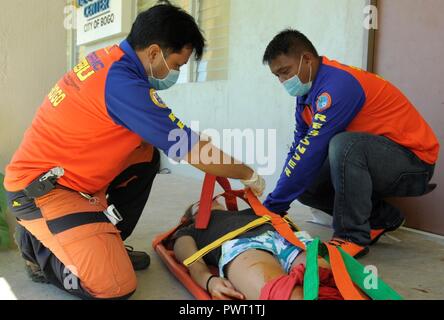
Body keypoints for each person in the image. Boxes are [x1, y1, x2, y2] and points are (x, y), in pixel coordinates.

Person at [3, 4, 264, 300]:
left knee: (146, 152)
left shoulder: (113, 61)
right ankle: (38, 251)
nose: (175, 73)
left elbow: (174, 139)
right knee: (114, 286)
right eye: (176, 65)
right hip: (42, 192)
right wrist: (247, 173)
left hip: (72, 179)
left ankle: (103, 238)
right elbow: (193, 150)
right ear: (153, 53)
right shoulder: (123, 84)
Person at [261, 29, 439, 258]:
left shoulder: (339, 85)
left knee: (343, 145)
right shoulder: (305, 97)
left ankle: (351, 237)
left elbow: (314, 148)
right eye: (278, 76)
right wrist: (274, 202)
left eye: (285, 72)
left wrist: (274, 207)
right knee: (307, 182)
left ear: (306, 59)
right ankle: (380, 218)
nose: (284, 81)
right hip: (380, 157)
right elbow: (300, 149)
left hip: (415, 163)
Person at [173, 201, 341, 300]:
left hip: (285, 237)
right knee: (282, 294)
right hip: (242, 245)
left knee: (329, 280)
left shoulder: (250, 211)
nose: (212, 199)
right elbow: (191, 260)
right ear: (187, 218)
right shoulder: (191, 229)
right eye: (201, 203)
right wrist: (209, 281)